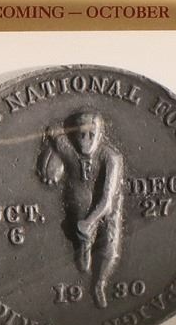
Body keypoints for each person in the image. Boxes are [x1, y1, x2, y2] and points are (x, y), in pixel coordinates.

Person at [36, 110, 127, 309]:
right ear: (74, 134)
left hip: (106, 210)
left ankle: (99, 284)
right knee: (83, 265)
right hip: (78, 205)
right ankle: (84, 246)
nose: (86, 140)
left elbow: (107, 199)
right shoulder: (69, 150)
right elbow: (55, 133)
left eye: (91, 135)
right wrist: (50, 156)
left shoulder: (110, 157)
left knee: (109, 247)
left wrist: (90, 221)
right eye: (81, 134)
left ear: (100, 134)